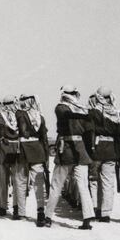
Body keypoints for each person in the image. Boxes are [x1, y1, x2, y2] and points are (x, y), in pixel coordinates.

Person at [42, 85, 96, 230]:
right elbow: (89, 131)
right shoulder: (82, 109)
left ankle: (48, 217)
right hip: (81, 150)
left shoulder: (61, 107)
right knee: (83, 186)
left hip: (66, 149)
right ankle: (87, 218)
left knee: (56, 185)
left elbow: (65, 116)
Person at [87, 87, 120, 223]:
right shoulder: (117, 113)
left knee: (93, 181)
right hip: (112, 150)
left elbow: (90, 131)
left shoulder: (94, 111)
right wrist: (119, 155)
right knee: (108, 183)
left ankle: (94, 209)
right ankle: (106, 213)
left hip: (97, 149)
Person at [14, 94, 49, 225]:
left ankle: (21, 212)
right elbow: (44, 139)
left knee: (21, 181)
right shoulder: (40, 117)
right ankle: (40, 212)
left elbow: (22, 131)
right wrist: (46, 157)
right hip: (38, 151)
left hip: (23, 150)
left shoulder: (20, 114)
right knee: (38, 183)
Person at [0, 96, 20, 218]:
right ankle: (10, 207)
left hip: (8, 149)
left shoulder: (2, 116)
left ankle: (8, 207)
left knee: (8, 179)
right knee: (11, 179)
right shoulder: (16, 115)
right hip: (12, 148)